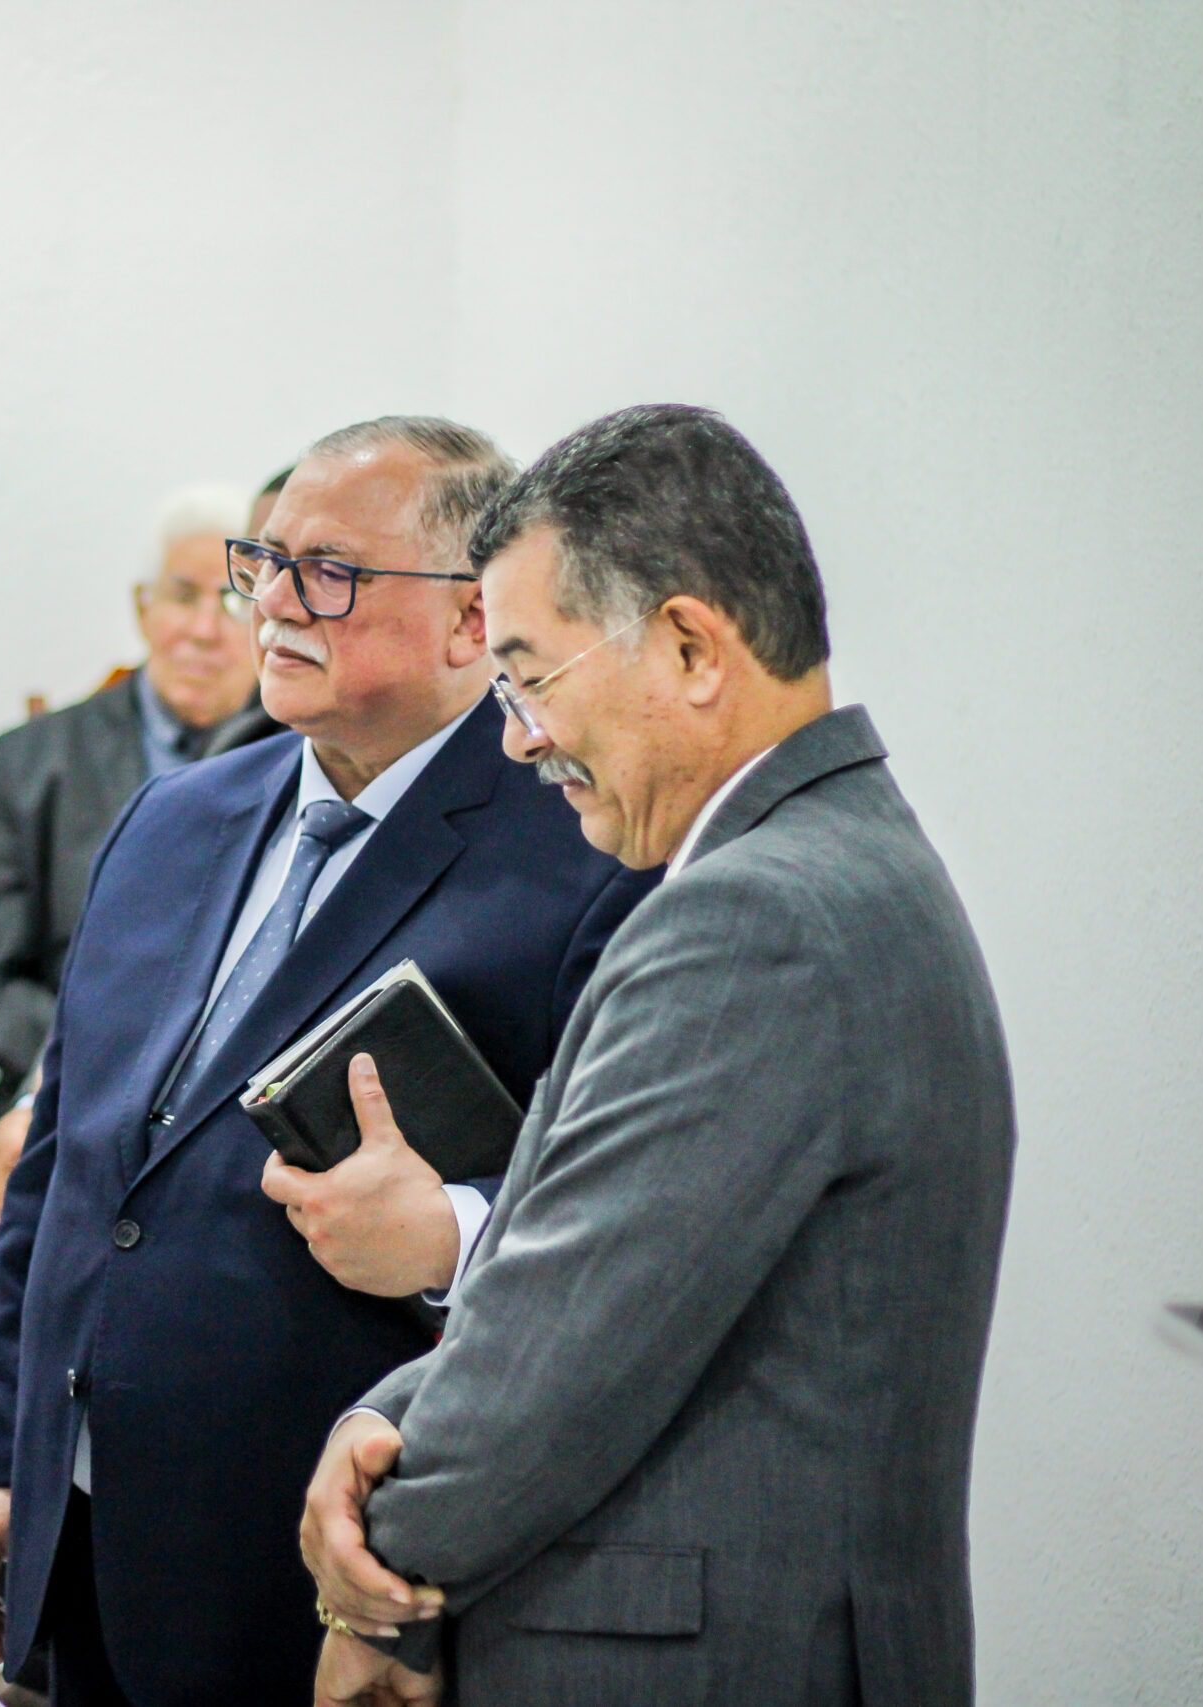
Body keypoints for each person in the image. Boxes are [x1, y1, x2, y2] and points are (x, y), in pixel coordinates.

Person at [301, 405, 1015, 1706]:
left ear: (689, 646)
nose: (517, 735)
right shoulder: (832, 868)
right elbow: (555, 1275)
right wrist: (386, 1414)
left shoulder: (758, 918)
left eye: (527, 672)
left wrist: (371, 1575)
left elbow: (561, 1355)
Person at [0, 418, 656, 1705]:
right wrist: (2, 1457)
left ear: (467, 620)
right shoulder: (174, 818)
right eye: (262, 559)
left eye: (326, 570)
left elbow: (610, 1234)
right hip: (84, 1522)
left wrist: (442, 1231)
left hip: (313, 1551)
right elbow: (66, 1166)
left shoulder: (575, 857)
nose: (268, 603)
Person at [0, 483, 278, 1511]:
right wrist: (60, 1082)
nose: (201, 627)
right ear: (141, 608)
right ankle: (13, 1540)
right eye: (180, 596)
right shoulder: (34, 761)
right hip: (56, 1116)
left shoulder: (296, 755)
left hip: (223, 1123)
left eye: (230, 599)